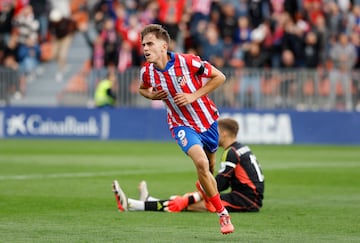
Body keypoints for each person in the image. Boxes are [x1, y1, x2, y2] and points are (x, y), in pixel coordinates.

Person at [134, 24, 234, 234]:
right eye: (143, 44)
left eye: (150, 43)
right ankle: (222, 214)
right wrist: (152, 95)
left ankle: (205, 191)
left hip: (207, 121)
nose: (145, 48)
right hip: (181, 124)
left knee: (209, 168)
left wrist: (193, 95)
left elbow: (220, 77)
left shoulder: (187, 61)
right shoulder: (148, 72)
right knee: (201, 162)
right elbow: (142, 89)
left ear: (164, 45)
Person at [112, 118, 265, 213]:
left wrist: (194, 195)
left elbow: (219, 185)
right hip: (246, 195)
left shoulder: (231, 153)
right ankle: (147, 200)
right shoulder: (240, 148)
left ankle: (134, 205)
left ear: (224, 134)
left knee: (189, 204)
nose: (213, 134)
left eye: (216, 131)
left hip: (247, 200)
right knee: (193, 200)